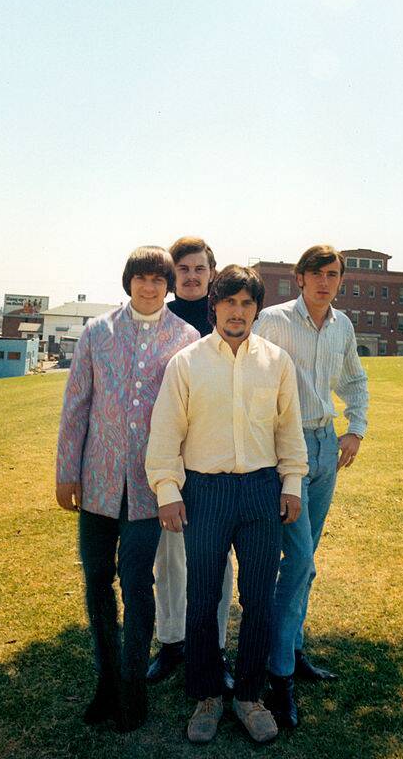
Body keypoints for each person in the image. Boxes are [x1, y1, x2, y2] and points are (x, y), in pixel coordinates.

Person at [146, 266, 308, 744]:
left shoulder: (276, 362)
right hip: (205, 493)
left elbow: (288, 430)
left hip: (261, 492)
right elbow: (165, 434)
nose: (237, 312)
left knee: (259, 598)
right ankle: (207, 695)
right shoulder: (188, 362)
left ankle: (250, 696)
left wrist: (292, 483)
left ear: (257, 309)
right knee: (204, 597)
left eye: (246, 304)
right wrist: (168, 492)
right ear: (214, 305)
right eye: (229, 302)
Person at [55, 246, 199, 733]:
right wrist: (65, 471)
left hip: (148, 489)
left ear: (169, 285)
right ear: (128, 281)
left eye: (159, 279)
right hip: (95, 485)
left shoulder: (186, 338)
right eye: (141, 278)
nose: (150, 287)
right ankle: (107, 681)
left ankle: (133, 689)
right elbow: (77, 405)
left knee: (138, 586)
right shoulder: (98, 332)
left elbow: (188, 417)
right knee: (97, 583)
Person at [254, 244, 369, 729]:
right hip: (287, 448)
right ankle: (278, 678)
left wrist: (355, 428)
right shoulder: (274, 322)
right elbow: (252, 385)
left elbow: (355, 381)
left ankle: (293, 648)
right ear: (298, 278)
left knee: (307, 559)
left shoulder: (341, 326)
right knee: (298, 560)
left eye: (333, 274)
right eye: (316, 274)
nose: (325, 281)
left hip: (326, 445)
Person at [148, 236, 236, 687]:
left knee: (218, 559)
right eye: (182, 269)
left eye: (199, 268)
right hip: (173, 454)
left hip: (217, 454)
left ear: (211, 272)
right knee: (172, 557)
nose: (191, 276)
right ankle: (171, 642)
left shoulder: (226, 318)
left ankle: (215, 649)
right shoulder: (160, 321)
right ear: (172, 275)